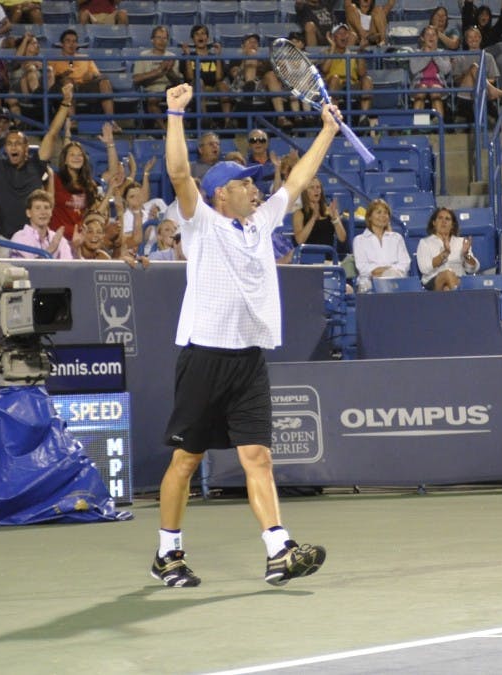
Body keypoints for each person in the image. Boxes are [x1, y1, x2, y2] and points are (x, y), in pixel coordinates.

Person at [152, 82, 333, 587]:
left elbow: (298, 180)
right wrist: (174, 114)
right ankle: (167, 553)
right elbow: (177, 172)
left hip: (248, 358)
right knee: (186, 461)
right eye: (246, 183)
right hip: (205, 355)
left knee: (258, 455)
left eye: (256, 183)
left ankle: (279, 549)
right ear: (220, 194)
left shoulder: (262, 221)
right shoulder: (201, 222)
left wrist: (327, 131)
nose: (257, 188)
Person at [0, 83, 64, 253]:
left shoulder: (37, 166)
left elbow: (52, 133)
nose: (13, 147)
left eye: (18, 144)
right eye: (9, 144)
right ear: (5, 148)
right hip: (2, 241)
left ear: (26, 148)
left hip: (32, 241)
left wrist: (65, 103)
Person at [49, 29, 116, 118]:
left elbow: (97, 74)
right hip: (65, 88)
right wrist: (61, 76)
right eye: (68, 41)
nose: (71, 44)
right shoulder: (53, 60)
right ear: (62, 44)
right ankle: (72, 121)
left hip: (85, 86)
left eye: (74, 41)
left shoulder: (85, 58)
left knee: (105, 81)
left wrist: (92, 76)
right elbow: (50, 81)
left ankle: (111, 121)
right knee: (68, 82)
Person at [321, 23, 374, 126]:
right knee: (335, 79)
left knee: (367, 79)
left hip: (351, 84)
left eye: (345, 33)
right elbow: (324, 69)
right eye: (339, 33)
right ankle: (334, 119)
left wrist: (360, 51)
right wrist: (332, 47)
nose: (343, 36)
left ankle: (363, 118)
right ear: (333, 37)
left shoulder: (354, 54)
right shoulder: (326, 52)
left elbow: (362, 73)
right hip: (334, 85)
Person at [415, 207, 479, 290]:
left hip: (458, 279)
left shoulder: (461, 242)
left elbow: (473, 268)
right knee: (448, 274)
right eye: (440, 218)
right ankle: (461, 300)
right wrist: (444, 254)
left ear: (452, 225)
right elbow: (425, 269)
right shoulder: (425, 243)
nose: (443, 221)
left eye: (447, 219)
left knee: (447, 289)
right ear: (434, 222)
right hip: (434, 281)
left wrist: (466, 255)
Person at [132, 26, 184, 128]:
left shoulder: (172, 57)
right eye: (158, 37)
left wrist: (169, 71)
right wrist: (158, 71)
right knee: (152, 99)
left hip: (170, 90)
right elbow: (136, 79)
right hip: (151, 89)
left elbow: (178, 81)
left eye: (164, 38)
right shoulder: (143, 56)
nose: (162, 41)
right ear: (152, 40)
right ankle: (165, 130)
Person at [354, 199, 411, 292]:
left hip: (395, 280)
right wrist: (385, 271)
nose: (383, 216)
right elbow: (362, 268)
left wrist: (387, 272)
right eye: (378, 212)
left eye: (386, 213)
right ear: (369, 217)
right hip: (369, 283)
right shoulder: (359, 240)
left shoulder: (397, 238)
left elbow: (405, 264)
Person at [10, 189, 74, 259]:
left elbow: (68, 267)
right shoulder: (19, 238)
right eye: (37, 208)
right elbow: (25, 268)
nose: (43, 212)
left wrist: (76, 249)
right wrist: (50, 249)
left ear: (51, 213)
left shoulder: (60, 239)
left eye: (46, 208)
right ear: (28, 213)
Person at [293, 176, 347, 252]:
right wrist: (313, 218)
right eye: (312, 187)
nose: (316, 190)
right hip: (308, 258)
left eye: (318, 187)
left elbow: (342, 238)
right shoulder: (299, 213)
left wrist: (335, 219)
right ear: (305, 192)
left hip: (328, 258)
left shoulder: (330, 210)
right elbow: (300, 240)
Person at [409, 26, 451, 122]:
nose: (431, 37)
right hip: (419, 85)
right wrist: (428, 55)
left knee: (434, 89)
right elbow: (414, 69)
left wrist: (434, 54)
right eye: (428, 34)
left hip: (438, 85)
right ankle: (420, 125)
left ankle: (438, 126)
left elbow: (446, 70)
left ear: (437, 37)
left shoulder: (443, 53)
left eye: (434, 34)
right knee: (422, 89)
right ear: (422, 38)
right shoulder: (415, 53)